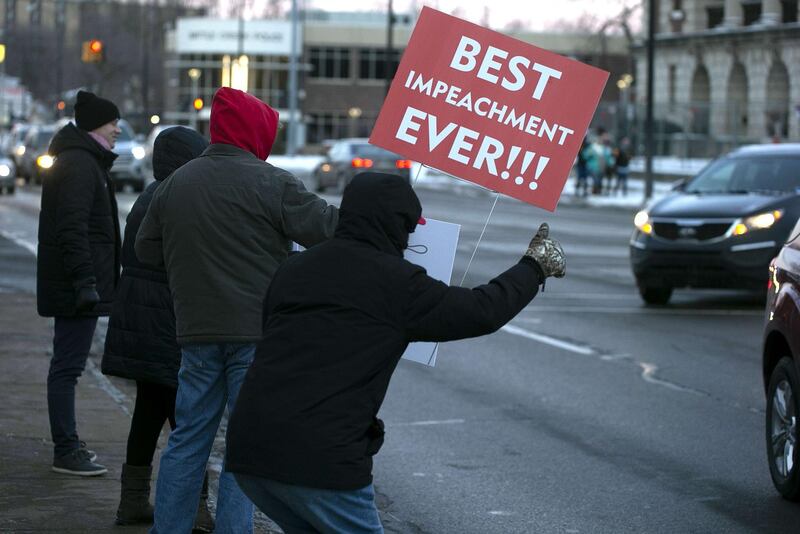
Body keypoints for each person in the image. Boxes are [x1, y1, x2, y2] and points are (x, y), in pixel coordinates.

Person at [225, 172, 567, 534]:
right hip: (321, 460)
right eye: (408, 226)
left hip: (250, 451)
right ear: (396, 225)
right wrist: (533, 267)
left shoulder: (294, 268)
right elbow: (480, 310)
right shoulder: (397, 283)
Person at [135, 87, 339, 534]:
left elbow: (145, 250)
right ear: (256, 132)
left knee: (188, 438)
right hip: (255, 334)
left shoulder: (176, 184)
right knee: (241, 446)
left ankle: (168, 528)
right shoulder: (273, 182)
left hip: (195, 331)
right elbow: (327, 228)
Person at [101, 126, 214, 530]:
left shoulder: (150, 196)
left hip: (139, 321)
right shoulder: (178, 199)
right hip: (167, 322)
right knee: (190, 421)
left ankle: (131, 501)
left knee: (148, 414)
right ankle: (195, 508)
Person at [37, 90, 122, 476]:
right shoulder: (80, 165)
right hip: (77, 287)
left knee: (67, 366)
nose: (117, 129)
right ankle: (66, 449)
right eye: (112, 122)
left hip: (78, 284)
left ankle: (67, 445)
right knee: (68, 367)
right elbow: (73, 230)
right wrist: (86, 282)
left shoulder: (84, 162)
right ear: (93, 126)